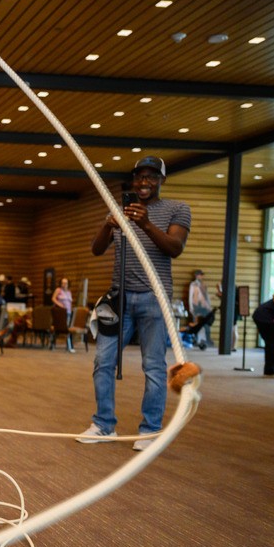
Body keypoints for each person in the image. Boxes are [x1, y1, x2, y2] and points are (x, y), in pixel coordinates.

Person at [78, 156, 191, 451]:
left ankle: (149, 430)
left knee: (153, 365)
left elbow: (174, 248)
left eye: (152, 177)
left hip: (155, 298)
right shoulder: (119, 209)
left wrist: (146, 223)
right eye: (140, 177)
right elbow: (96, 249)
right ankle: (103, 425)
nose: (144, 183)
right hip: (119, 298)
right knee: (103, 361)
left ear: (161, 181)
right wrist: (108, 223)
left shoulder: (178, 209)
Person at [188, 269, 214, 347]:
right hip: (196, 306)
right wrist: (191, 307)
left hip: (204, 307)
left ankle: (206, 340)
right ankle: (195, 341)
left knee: (206, 323)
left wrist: (209, 306)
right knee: (196, 324)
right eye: (201, 275)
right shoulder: (193, 285)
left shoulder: (203, 285)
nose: (202, 276)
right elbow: (190, 296)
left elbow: (206, 297)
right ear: (197, 275)